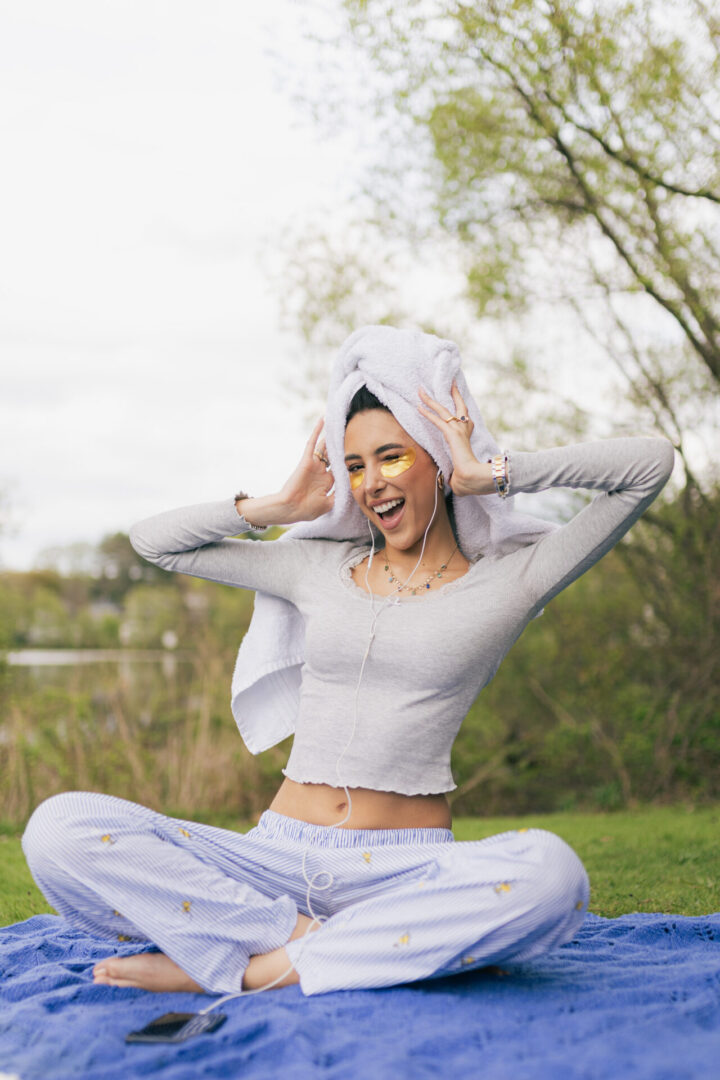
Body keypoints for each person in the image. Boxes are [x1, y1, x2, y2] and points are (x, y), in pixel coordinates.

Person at [21, 326, 675, 999]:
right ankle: (320, 945)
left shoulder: (511, 579)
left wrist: (492, 471)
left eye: (391, 457)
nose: (370, 483)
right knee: (60, 830)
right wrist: (275, 507)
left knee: (553, 876)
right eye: (354, 464)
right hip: (271, 860)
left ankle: (248, 969)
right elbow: (156, 545)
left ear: (438, 459)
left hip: (405, 877)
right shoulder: (319, 565)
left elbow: (648, 466)